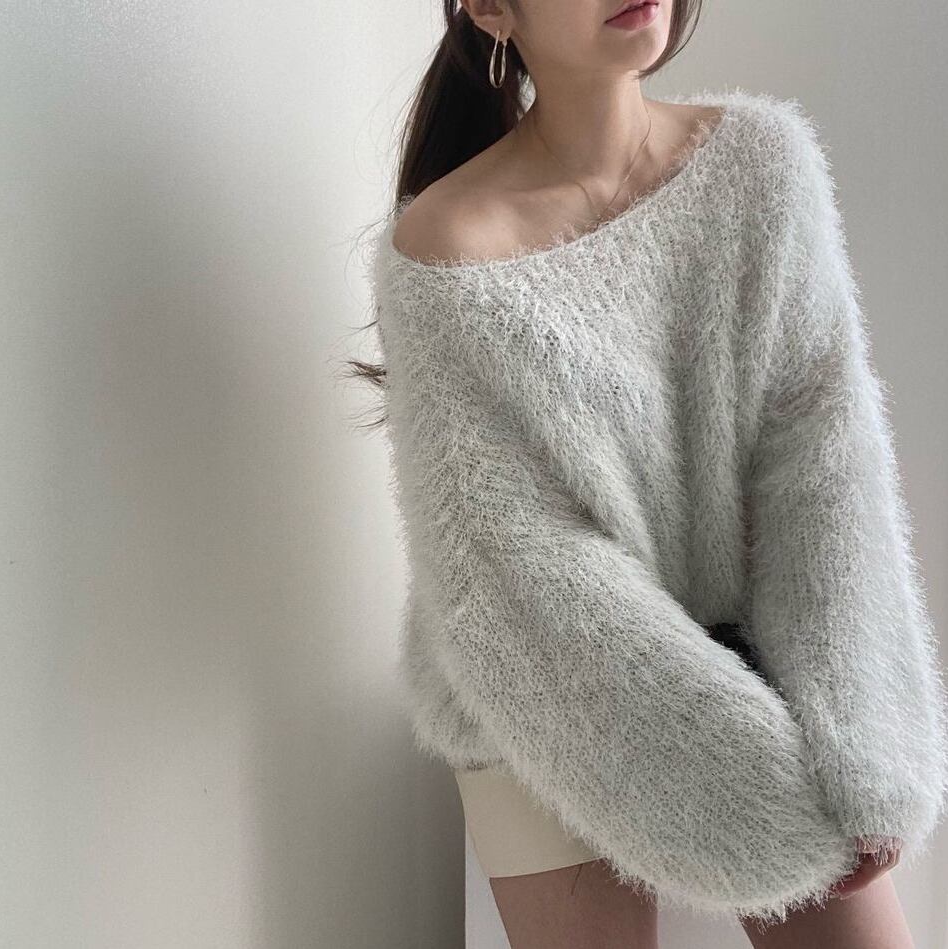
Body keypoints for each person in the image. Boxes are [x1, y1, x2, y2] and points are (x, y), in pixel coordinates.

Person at [351, 1, 948, 946]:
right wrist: (745, 789)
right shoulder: (444, 247)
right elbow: (514, 568)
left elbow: (821, 457)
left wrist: (860, 744)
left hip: (744, 648)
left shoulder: (761, 161)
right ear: (492, 7)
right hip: (535, 691)